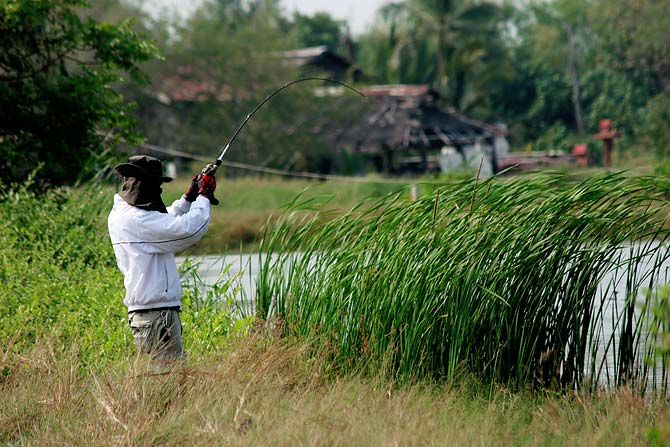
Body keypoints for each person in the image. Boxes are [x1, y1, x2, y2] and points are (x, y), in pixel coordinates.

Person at [108, 155, 218, 360]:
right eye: (156, 184)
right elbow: (188, 230)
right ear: (141, 184)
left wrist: (188, 198)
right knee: (171, 383)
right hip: (156, 316)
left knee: (165, 381)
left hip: (149, 315)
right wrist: (203, 197)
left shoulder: (122, 214)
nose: (158, 190)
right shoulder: (137, 220)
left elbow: (161, 221)